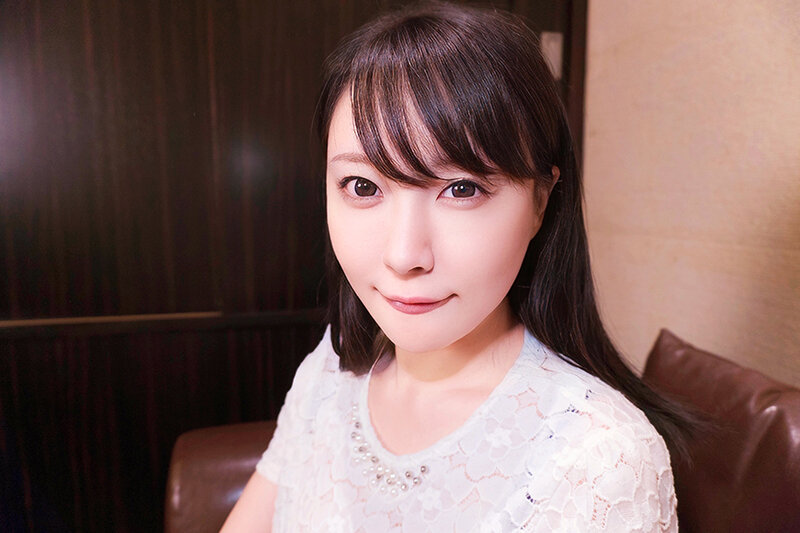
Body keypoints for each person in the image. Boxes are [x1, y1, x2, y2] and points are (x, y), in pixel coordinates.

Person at [222, 2, 697, 531]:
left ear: (540, 202)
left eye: (462, 189)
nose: (404, 255)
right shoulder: (330, 370)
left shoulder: (600, 461)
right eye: (362, 186)